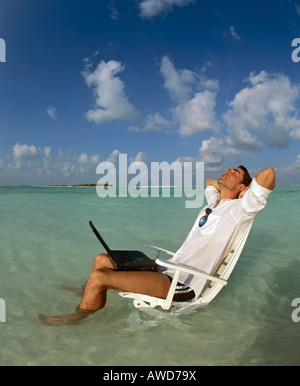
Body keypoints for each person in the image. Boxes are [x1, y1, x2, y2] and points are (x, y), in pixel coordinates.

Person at [38, 166, 276, 326]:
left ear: (243, 188)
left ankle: (77, 319)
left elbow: (268, 174)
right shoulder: (213, 203)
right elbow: (208, 182)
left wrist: (242, 194)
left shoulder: (239, 211)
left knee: (101, 277)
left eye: (233, 172)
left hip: (182, 283)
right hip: (167, 268)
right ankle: (86, 292)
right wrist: (227, 185)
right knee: (102, 258)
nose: (225, 172)